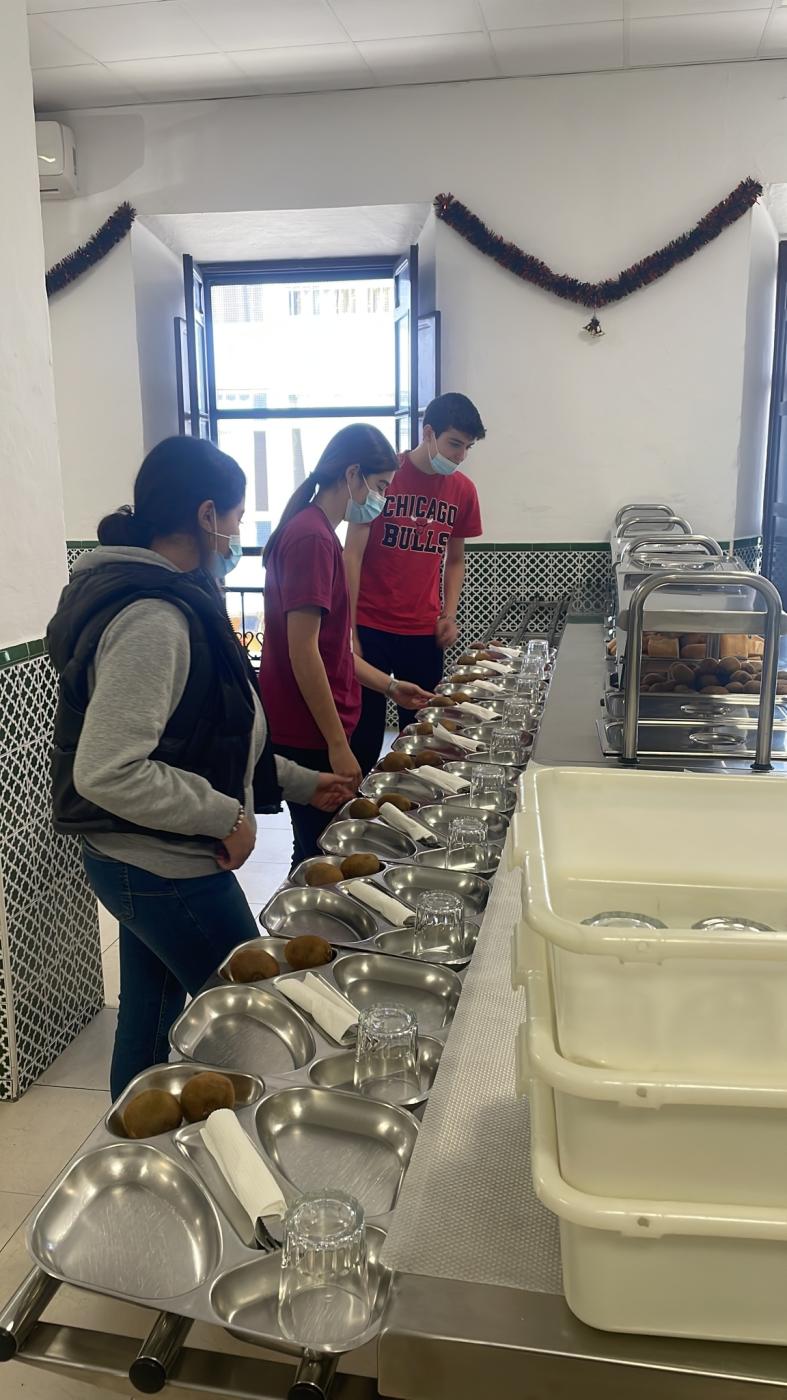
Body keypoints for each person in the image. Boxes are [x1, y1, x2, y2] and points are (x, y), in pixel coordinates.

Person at [47, 437, 353, 1097]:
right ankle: (258, 1157)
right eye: (238, 519)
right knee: (255, 1020)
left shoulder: (169, 598)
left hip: (137, 858)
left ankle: (133, 1147)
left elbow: (209, 737)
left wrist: (300, 781)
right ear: (206, 515)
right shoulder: (154, 617)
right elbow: (107, 770)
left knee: (150, 1019)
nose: (237, 535)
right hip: (159, 864)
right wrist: (229, 815)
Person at [260, 423, 435, 867]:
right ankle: (306, 931)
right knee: (321, 852)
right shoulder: (311, 539)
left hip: (322, 723)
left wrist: (391, 687)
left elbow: (333, 650)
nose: (380, 500)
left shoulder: (318, 533)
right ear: (352, 475)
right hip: (310, 730)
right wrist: (338, 743)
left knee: (325, 845)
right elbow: (305, 653)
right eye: (379, 486)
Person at [345, 392, 486, 775]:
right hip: (371, 625)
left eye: (467, 448)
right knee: (364, 733)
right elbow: (352, 553)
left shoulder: (463, 491)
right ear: (428, 433)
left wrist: (449, 613)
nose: (459, 456)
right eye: (454, 444)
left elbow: (455, 559)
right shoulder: (386, 474)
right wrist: (350, 627)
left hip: (422, 628)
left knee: (426, 731)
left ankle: (417, 813)